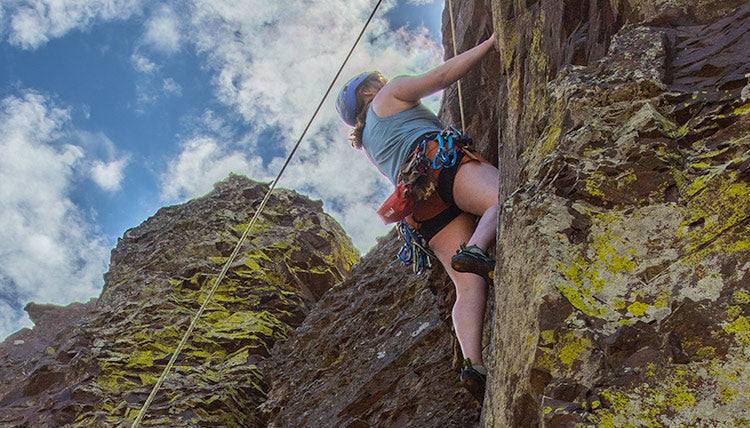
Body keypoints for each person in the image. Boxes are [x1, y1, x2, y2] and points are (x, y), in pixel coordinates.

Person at [336, 34, 499, 402]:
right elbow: (441, 78)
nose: (381, 79)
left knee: (467, 286)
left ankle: (473, 362)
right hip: (436, 161)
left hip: (418, 207)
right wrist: (490, 44)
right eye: (373, 79)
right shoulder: (388, 94)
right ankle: (476, 247)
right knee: (505, 198)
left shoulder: (370, 142)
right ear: (367, 92)